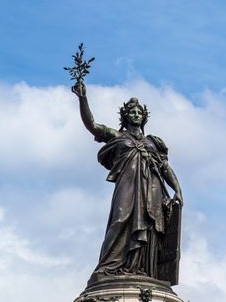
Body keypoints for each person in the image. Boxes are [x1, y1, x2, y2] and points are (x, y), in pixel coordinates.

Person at [72, 81, 183, 284]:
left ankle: (143, 269)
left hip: (153, 189)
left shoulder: (153, 142)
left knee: (150, 227)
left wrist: (177, 189)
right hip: (128, 185)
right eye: (132, 112)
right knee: (120, 220)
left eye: (139, 112)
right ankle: (109, 267)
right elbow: (92, 125)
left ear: (144, 117)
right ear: (125, 116)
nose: (136, 115)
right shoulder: (118, 136)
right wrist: (83, 99)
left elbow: (165, 168)